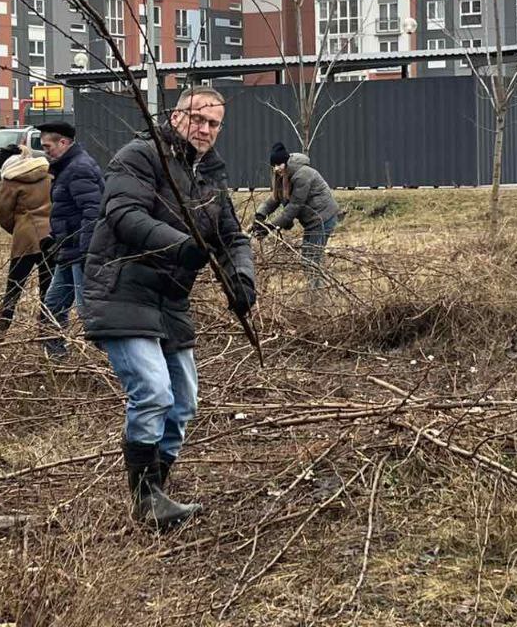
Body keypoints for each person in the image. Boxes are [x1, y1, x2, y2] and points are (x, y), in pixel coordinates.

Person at [83, 87, 256, 531]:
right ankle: (145, 499)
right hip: (121, 291)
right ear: (176, 116)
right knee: (154, 391)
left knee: (183, 403)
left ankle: (152, 494)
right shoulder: (140, 155)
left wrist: (241, 277)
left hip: (169, 301)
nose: (204, 129)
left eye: (213, 124)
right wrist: (183, 247)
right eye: (196, 119)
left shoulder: (209, 179)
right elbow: (123, 213)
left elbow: (232, 238)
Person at [38, 121, 104, 358]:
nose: (46, 152)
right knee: (53, 306)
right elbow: (69, 211)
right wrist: (54, 239)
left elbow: (92, 211)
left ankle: (114, 359)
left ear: (63, 143)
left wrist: (87, 250)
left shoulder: (78, 168)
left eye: (48, 147)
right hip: (68, 250)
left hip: (81, 251)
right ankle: (56, 360)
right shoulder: (68, 168)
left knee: (88, 312)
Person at [253, 142, 340, 288]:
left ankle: (318, 296)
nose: (276, 169)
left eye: (279, 164)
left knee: (312, 260)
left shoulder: (302, 175)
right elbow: (275, 198)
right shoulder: (281, 174)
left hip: (323, 218)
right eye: (273, 165)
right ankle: (315, 292)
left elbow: (294, 206)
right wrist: (260, 215)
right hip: (313, 221)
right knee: (307, 259)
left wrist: (270, 226)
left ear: (286, 162)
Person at [0, 144, 53, 339]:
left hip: (25, 239)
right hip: (51, 238)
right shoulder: (47, 174)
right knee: (48, 288)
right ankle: (47, 332)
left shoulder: (11, 181)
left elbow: (4, 215)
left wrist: (18, 229)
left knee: (14, 288)